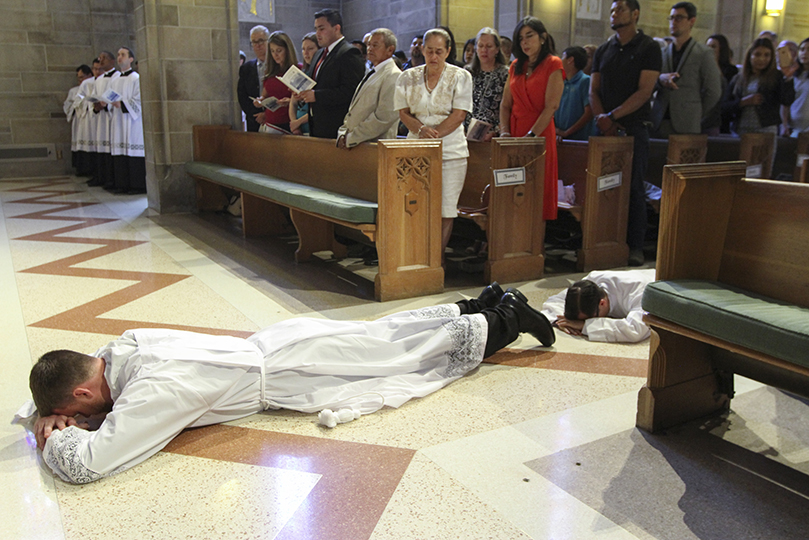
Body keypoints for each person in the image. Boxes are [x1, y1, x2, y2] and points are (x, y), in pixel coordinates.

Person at [24, 284, 554, 484]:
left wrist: (55, 438)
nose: (83, 423)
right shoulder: (124, 345)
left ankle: (509, 318)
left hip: (295, 375)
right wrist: (47, 409)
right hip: (280, 342)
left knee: (404, 358)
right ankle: (479, 304)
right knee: (383, 334)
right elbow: (77, 382)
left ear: (82, 395)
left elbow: (90, 463)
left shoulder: (153, 390)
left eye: (79, 414)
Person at [589, 0, 661, 266]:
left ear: (635, 14)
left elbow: (645, 91)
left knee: (633, 188)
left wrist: (614, 116)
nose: (614, 14)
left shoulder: (649, 47)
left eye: (619, 9)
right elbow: (593, 89)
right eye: (611, 10)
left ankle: (635, 246)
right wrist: (601, 118)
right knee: (603, 188)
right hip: (605, 129)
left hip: (633, 128)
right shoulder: (605, 49)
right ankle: (603, 242)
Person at [395, 27, 473, 262]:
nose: (434, 57)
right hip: (415, 148)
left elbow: (460, 114)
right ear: (422, 50)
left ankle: (435, 262)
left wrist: (435, 135)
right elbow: (403, 113)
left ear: (448, 51)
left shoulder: (461, 76)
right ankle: (414, 256)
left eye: (439, 51)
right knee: (413, 205)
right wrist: (420, 130)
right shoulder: (407, 76)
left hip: (451, 150)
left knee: (445, 209)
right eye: (429, 51)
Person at [499, 16, 564, 221]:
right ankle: (513, 243)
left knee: (536, 190)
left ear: (543, 37)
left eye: (530, 36)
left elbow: (551, 106)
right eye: (521, 39)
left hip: (539, 134)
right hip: (515, 133)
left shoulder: (553, 63)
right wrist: (505, 132)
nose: (525, 42)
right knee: (513, 190)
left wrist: (531, 136)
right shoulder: (515, 65)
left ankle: (534, 245)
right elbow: (505, 104)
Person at [651, 2, 722, 137]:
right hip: (659, 120)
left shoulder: (703, 53)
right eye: (671, 18)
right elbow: (648, 85)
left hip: (687, 122)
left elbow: (713, 91)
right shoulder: (661, 53)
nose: (673, 22)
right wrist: (660, 80)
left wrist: (696, 112)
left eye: (678, 18)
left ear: (691, 21)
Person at [296, 9, 365, 139]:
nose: (317, 34)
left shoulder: (349, 53)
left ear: (336, 28)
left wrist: (317, 96)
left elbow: (351, 92)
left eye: (321, 29)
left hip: (336, 125)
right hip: (316, 124)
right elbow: (316, 85)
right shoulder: (319, 54)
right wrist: (302, 92)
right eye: (316, 29)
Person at [540, 268, 655, 342]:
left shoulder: (641, 292)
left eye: (590, 318)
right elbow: (555, 301)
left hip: (663, 284)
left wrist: (585, 325)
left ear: (602, 303)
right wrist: (561, 321)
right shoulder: (591, 282)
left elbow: (634, 330)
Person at [336, 28, 402, 148]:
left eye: (375, 45)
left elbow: (384, 118)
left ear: (390, 49)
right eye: (369, 45)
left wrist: (352, 137)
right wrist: (343, 132)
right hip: (358, 143)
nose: (370, 49)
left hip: (375, 145)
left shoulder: (394, 75)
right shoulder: (373, 72)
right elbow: (354, 110)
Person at [722, 37, 795, 137]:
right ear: (750, 55)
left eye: (766, 55)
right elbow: (725, 105)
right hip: (741, 128)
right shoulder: (739, 78)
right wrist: (743, 102)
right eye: (757, 54)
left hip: (765, 128)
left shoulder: (776, 76)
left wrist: (788, 78)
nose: (762, 59)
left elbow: (786, 100)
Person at [108, 47, 146, 194]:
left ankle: (137, 186)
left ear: (131, 59)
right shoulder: (115, 80)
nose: (119, 57)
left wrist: (122, 104)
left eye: (123, 55)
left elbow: (139, 100)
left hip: (132, 122)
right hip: (118, 120)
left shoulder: (136, 78)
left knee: (132, 151)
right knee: (120, 151)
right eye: (118, 55)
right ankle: (122, 184)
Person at [463, 27, 509, 138]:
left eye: (489, 46)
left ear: (497, 49)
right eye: (480, 46)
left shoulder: (505, 74)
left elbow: (508, 106)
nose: (484, 50)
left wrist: (497, 131)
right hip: (465, 133)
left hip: (491, 135)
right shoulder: (467, 72)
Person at [253, 31, 297, 133]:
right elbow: (264, 95)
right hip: (271, 124)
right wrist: (259, 101)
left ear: (287, 50)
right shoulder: (270, 72)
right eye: (272, 51)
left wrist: (290, 101)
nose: (275, 55)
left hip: (289, 123)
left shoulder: (296, 70)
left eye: (279, 50)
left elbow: (304, 101)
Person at [88, 51, 120, 190]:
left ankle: (111, 180)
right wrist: (95, 106)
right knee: (100, 147)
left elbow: (117, 95)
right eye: (100, 58)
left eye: (104, 58)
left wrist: (105, 105)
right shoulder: (99, 79)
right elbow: (94, 95)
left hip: (112, 118)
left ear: (112, 61)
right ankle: (101, 177)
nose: (101, 60)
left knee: (110, 148)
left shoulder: (117, 76)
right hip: (100, 118)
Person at [555, 46, 594, 141]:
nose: (560, 60)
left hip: (579, 139)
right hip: (559, 137)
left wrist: (567, 132)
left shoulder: (585, 81)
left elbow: (589, 113)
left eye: (562, 57)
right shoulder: (561, 82)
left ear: (570, 60)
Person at [237, 25, 270, 133]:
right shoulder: (246, 68)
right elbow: (242, 95)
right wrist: (255, 115)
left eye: (261, 41)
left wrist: (267, 114)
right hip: (254, 119)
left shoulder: (279, 65)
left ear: (269, 42)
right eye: (254, 42)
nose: (258, 45)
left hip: (276, 119)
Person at [74, 59, 102, 179]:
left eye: (99, 69)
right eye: (94, 69)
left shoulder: (106, 81)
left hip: (102, 118)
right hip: (88, 119)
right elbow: (78, 99)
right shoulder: (86, 83)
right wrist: (87, 102)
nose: (96, 71)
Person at [289, 33, 319, 136]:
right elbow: (293, 103)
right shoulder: (303, 72)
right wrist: (294, 123)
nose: (306, 53)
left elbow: (319, 108)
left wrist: (299, 122)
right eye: (303, 49)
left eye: (310, 49)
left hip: (312, 127)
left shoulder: (320, 75)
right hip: (298, 129)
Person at [64, 65, 93, 172]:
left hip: (90, 120)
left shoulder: (93, 87)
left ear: (89, 75)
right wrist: (74, 107)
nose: (80, 80)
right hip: (78, 120)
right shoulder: (74, 91)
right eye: (78, 78)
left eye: (82, 77)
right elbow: (68, 104)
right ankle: (81, 168)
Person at [787, 37, 809, 137]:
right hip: (792, 127)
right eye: (802, 49)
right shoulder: (793, 74)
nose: (805, 53)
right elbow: (785, 101)